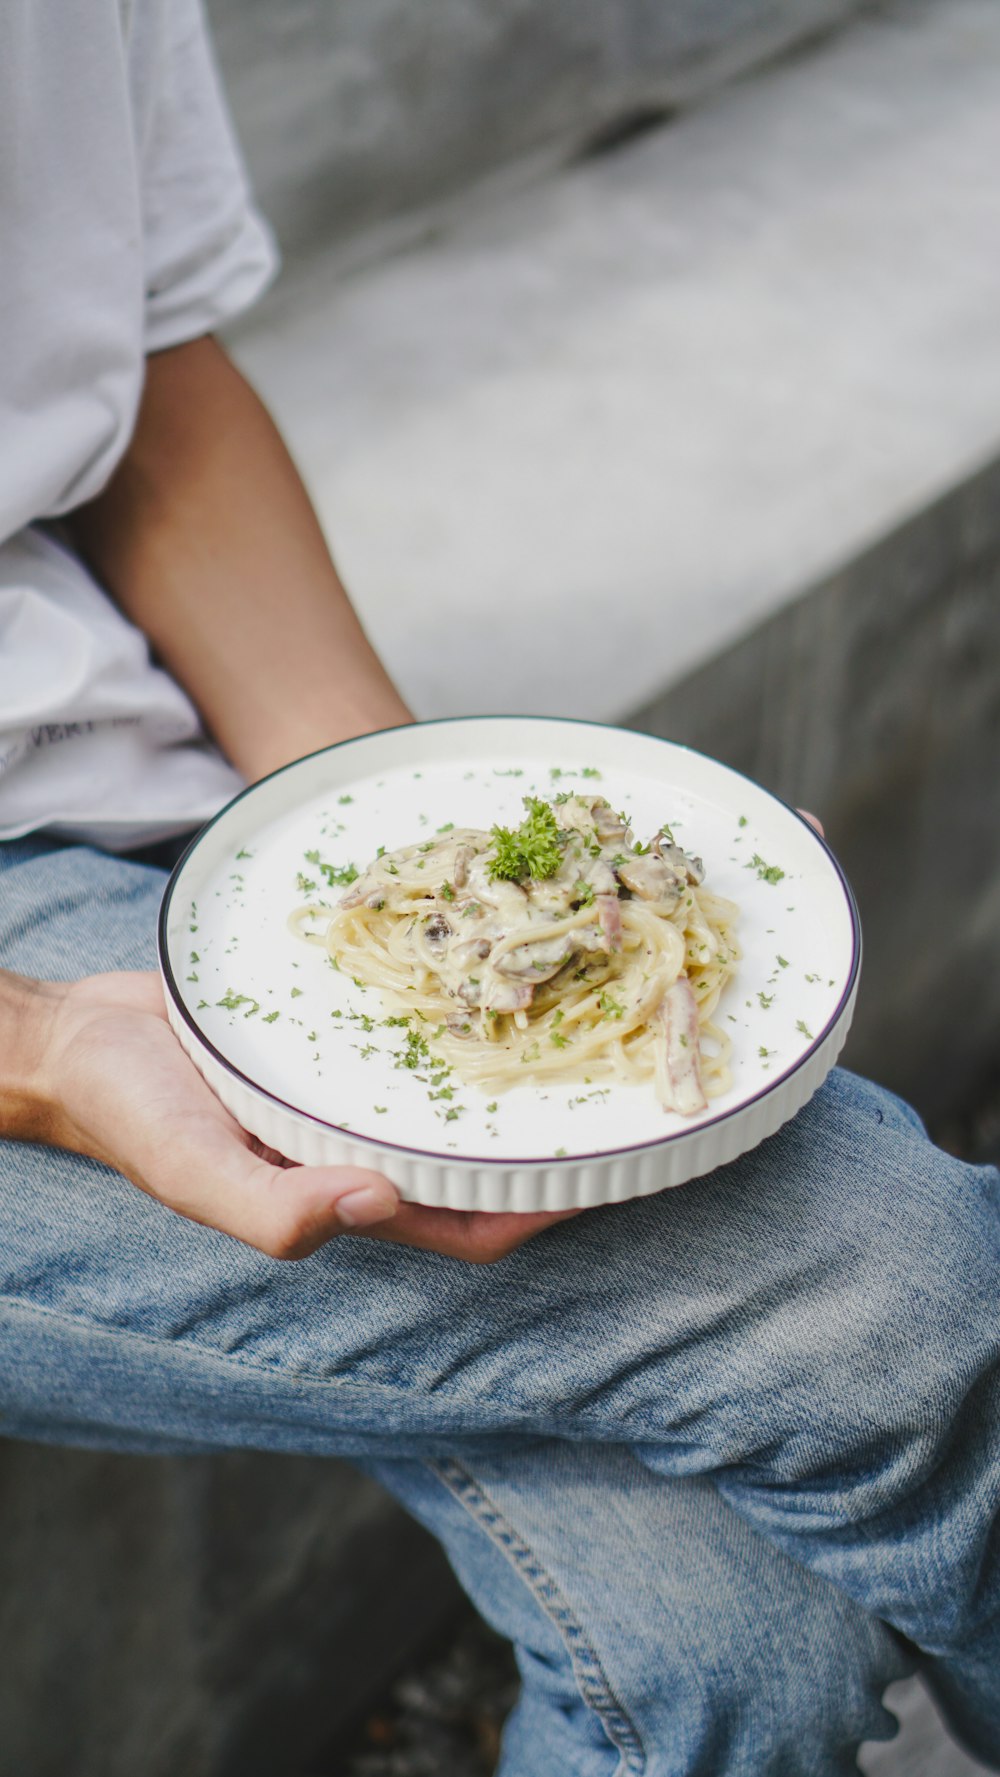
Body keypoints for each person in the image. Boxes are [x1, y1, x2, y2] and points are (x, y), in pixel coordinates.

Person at [1, 3, 998, 1772]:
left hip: (125, 808)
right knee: (893, 1289)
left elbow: (143, 366)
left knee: (731, 1637)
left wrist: (411, 825)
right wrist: (47, 1049)